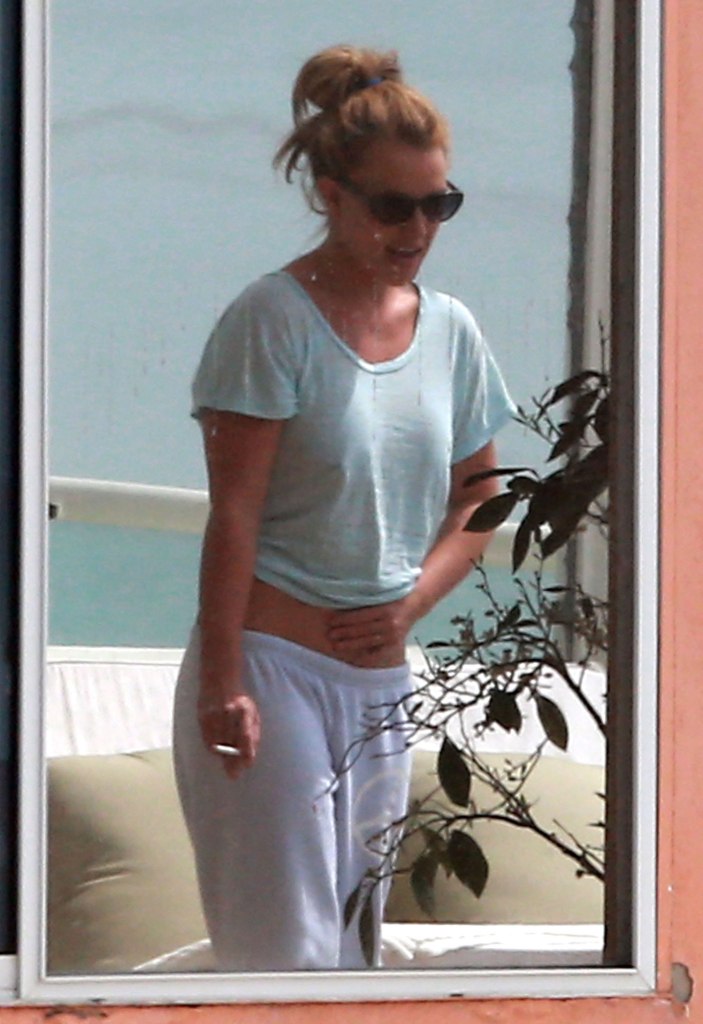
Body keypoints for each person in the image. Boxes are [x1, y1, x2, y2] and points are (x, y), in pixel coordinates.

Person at [173, 43, 515, 972]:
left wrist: (409, 608)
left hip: (380, 685)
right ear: (331, 194)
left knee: (353, 960)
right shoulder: (272, 319)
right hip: (269, 672)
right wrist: (223, 680)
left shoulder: (451, 331)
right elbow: (233, 513)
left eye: (437, 205)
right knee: (282, 958)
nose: (418, 228)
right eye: (392, 206)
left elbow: (479, 499)